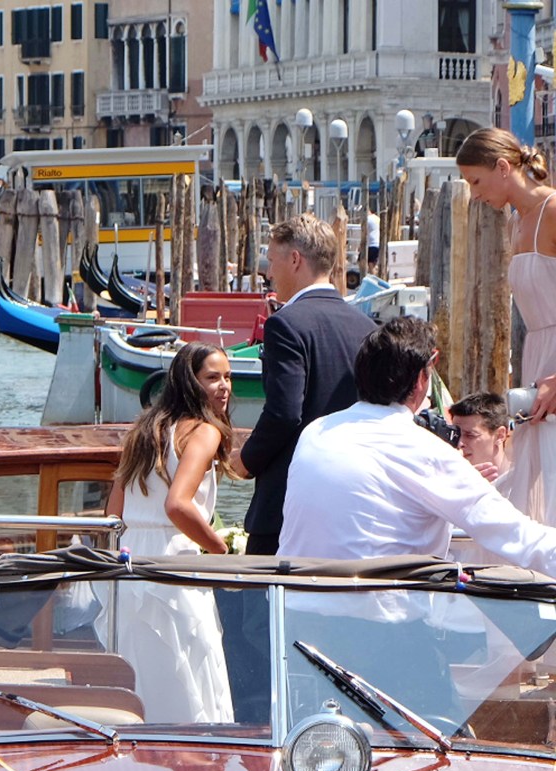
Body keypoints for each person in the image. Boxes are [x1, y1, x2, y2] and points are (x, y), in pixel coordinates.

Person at [278, 316, 556, 578]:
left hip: (296, 609)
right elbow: (514, 534)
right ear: (423, 379)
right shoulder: (425, 451)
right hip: (378, 616)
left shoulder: (315, 432)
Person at [230, 212, 375, 555]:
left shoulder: (286, 325)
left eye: (271, 260)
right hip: (349, 499)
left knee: (264, 605)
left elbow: (284, 412)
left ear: (295, 259)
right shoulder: (366, 327)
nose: (268, 272)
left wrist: (246, 460)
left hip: (289, 500)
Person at [106, 341, 235, 724]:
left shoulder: (144, 430)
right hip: (173, 560)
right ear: (189, 382)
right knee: (190, 674)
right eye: (213, 378)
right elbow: (178, 505)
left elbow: (114, 512)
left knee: (140, 678)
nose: (225, 386)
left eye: (228, 377)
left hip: (130, 561)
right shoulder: (206, 432)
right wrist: (219, 549)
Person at [457, 127, 556, 524]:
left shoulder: (551, 212)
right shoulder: (518, 222)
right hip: (537, 363)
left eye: (476, 181)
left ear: (502, 167)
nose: (475, 194)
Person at [448, 391, 511, 487]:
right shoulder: (450, 481)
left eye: (470, 435)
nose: (460, 443)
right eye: (456, 434)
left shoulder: (522, 483)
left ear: (500, 435)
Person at [367, 209, 380, 274]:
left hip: (371, 244)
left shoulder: (367, 219)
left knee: (370, 264)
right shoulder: (377, 218)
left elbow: (364, 232)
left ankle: (373, 277)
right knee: (373, 264)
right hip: (378, 243)